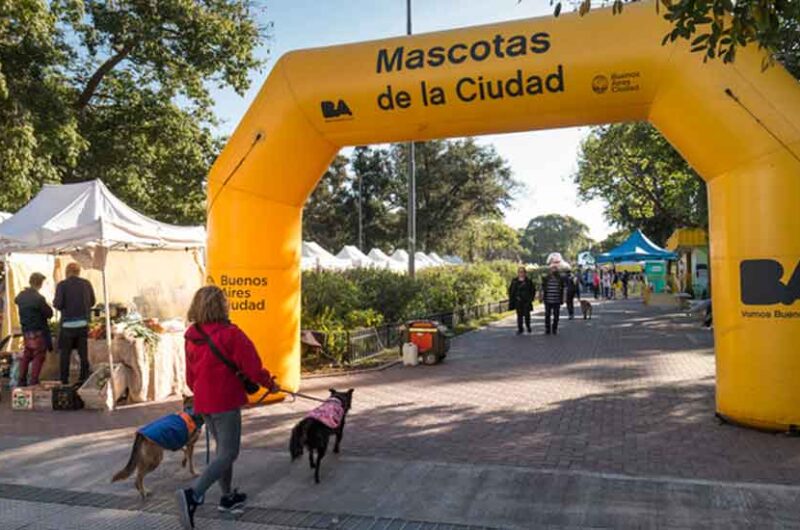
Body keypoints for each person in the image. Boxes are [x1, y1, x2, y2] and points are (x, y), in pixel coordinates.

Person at [176, 285, 279, 530]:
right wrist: (270, 384)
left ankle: (227, 497)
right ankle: (193, 495)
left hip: (203, 402)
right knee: (229, 453)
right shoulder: (232, 334)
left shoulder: (192, 336)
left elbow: (190, 377)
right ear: (222, 306)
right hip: (225, 401)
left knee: (222, 450)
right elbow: (254, 369)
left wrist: (202, 392)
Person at [53, 263, 96, 384]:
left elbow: (58, 304)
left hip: (67, 326)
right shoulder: (86, 284)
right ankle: (83, 379)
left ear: (67, 272)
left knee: (65, 355)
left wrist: (56, 303)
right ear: (78, 272)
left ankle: (64, 380)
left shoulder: (62, 285)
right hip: (83, 325)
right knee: (83, 354)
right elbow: (93, 301)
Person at [14, 273, 53, 387]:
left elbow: (16, 300)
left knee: (27, 355)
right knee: (38, 355)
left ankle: (21, 380)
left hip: (26, 330)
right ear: (40, 284)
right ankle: (33, 381)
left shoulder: (21, 296)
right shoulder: (39, 298)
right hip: (38, 331)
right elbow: (49, 313)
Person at [508, 267, 535, 335]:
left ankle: (528, 326)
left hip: (526, 301)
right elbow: (511, 290)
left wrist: (531, 299)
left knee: (527, 315)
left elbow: (533, 290)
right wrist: (513, 298)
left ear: (525, 273)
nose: (521, 273)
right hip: (518, 301)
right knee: (519, 315)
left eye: (522, 272)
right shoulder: (514, 281)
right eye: (520, 272)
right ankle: (520, 329)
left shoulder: (528, 281)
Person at [542, 265, 564, 335]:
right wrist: (542, 297)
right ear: (550, 271)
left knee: (556, 315)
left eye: (555, 269)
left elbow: (562, 289)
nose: (553, 271)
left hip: (556, 300)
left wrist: (563, 298)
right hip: (548, 300)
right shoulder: (546, 278)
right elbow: (543, 288)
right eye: (552, 269)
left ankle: (554, 328)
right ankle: (547, 329)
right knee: (547, 315)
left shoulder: (559, 279)